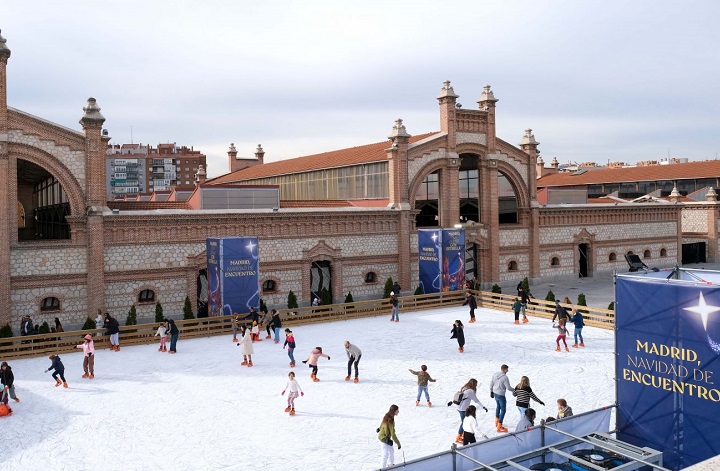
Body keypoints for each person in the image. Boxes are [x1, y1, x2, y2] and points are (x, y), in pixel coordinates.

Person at [448, 378, 487, 444]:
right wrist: (483, 407)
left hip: (459, 407)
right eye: (476, 385)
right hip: (463, 409)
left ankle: (462, 434)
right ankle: (459, 436)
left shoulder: (465, 388)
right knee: (464, 422)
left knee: (464, 421)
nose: (476, 386)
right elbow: (476, 400)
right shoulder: (470, 391)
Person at [490, 364, 514, 433]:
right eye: (506, 369)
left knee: (498, 406)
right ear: (503, 370)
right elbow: (508, 387)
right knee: (503, 409)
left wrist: (491, 391)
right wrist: (515, 390)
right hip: (501, 394)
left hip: (495, 393)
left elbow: (491, 383)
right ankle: (499, 425)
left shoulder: (495, 374)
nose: (507, 371)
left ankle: (497, 421)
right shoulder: (505, 377)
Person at [377, 404, 401, 468]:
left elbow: (382, 422)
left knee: (391, 451)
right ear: (394, 411)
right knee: (385, 454)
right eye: (397, 411)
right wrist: (398, 444)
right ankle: (382, 468)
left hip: (385, 437)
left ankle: (390, 464)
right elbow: (393, 434)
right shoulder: (391, 421)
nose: (398, 412)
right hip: (383, 438)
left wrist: (379, 428)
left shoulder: (387, 415)